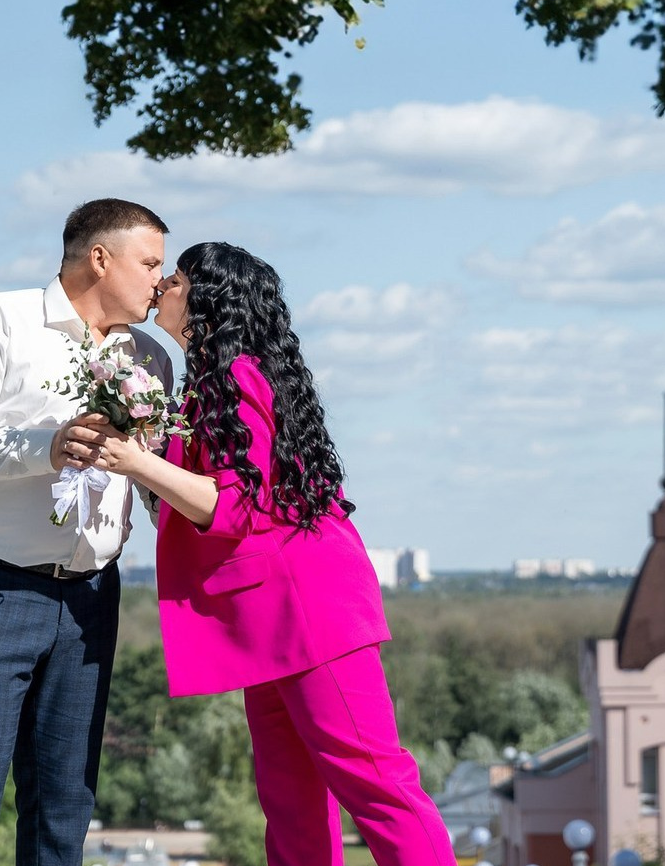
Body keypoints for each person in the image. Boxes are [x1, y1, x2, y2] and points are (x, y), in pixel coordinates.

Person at [67, 241, 457, 866]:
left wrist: (138, 460)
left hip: (310, 612)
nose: (163, 285)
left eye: (176, 278)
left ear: (207, 298)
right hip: (271, 619)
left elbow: (234, 505)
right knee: (291, 799)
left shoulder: (240, 374)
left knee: (377, 782)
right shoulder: (212, 382)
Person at [0, 199, 173, 866]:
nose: (159, 283)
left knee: (66, 808)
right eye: (150, 264)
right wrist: (44, 446)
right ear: (100, 257)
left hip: (91, 600)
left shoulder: (149, 358)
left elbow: (155, 476)